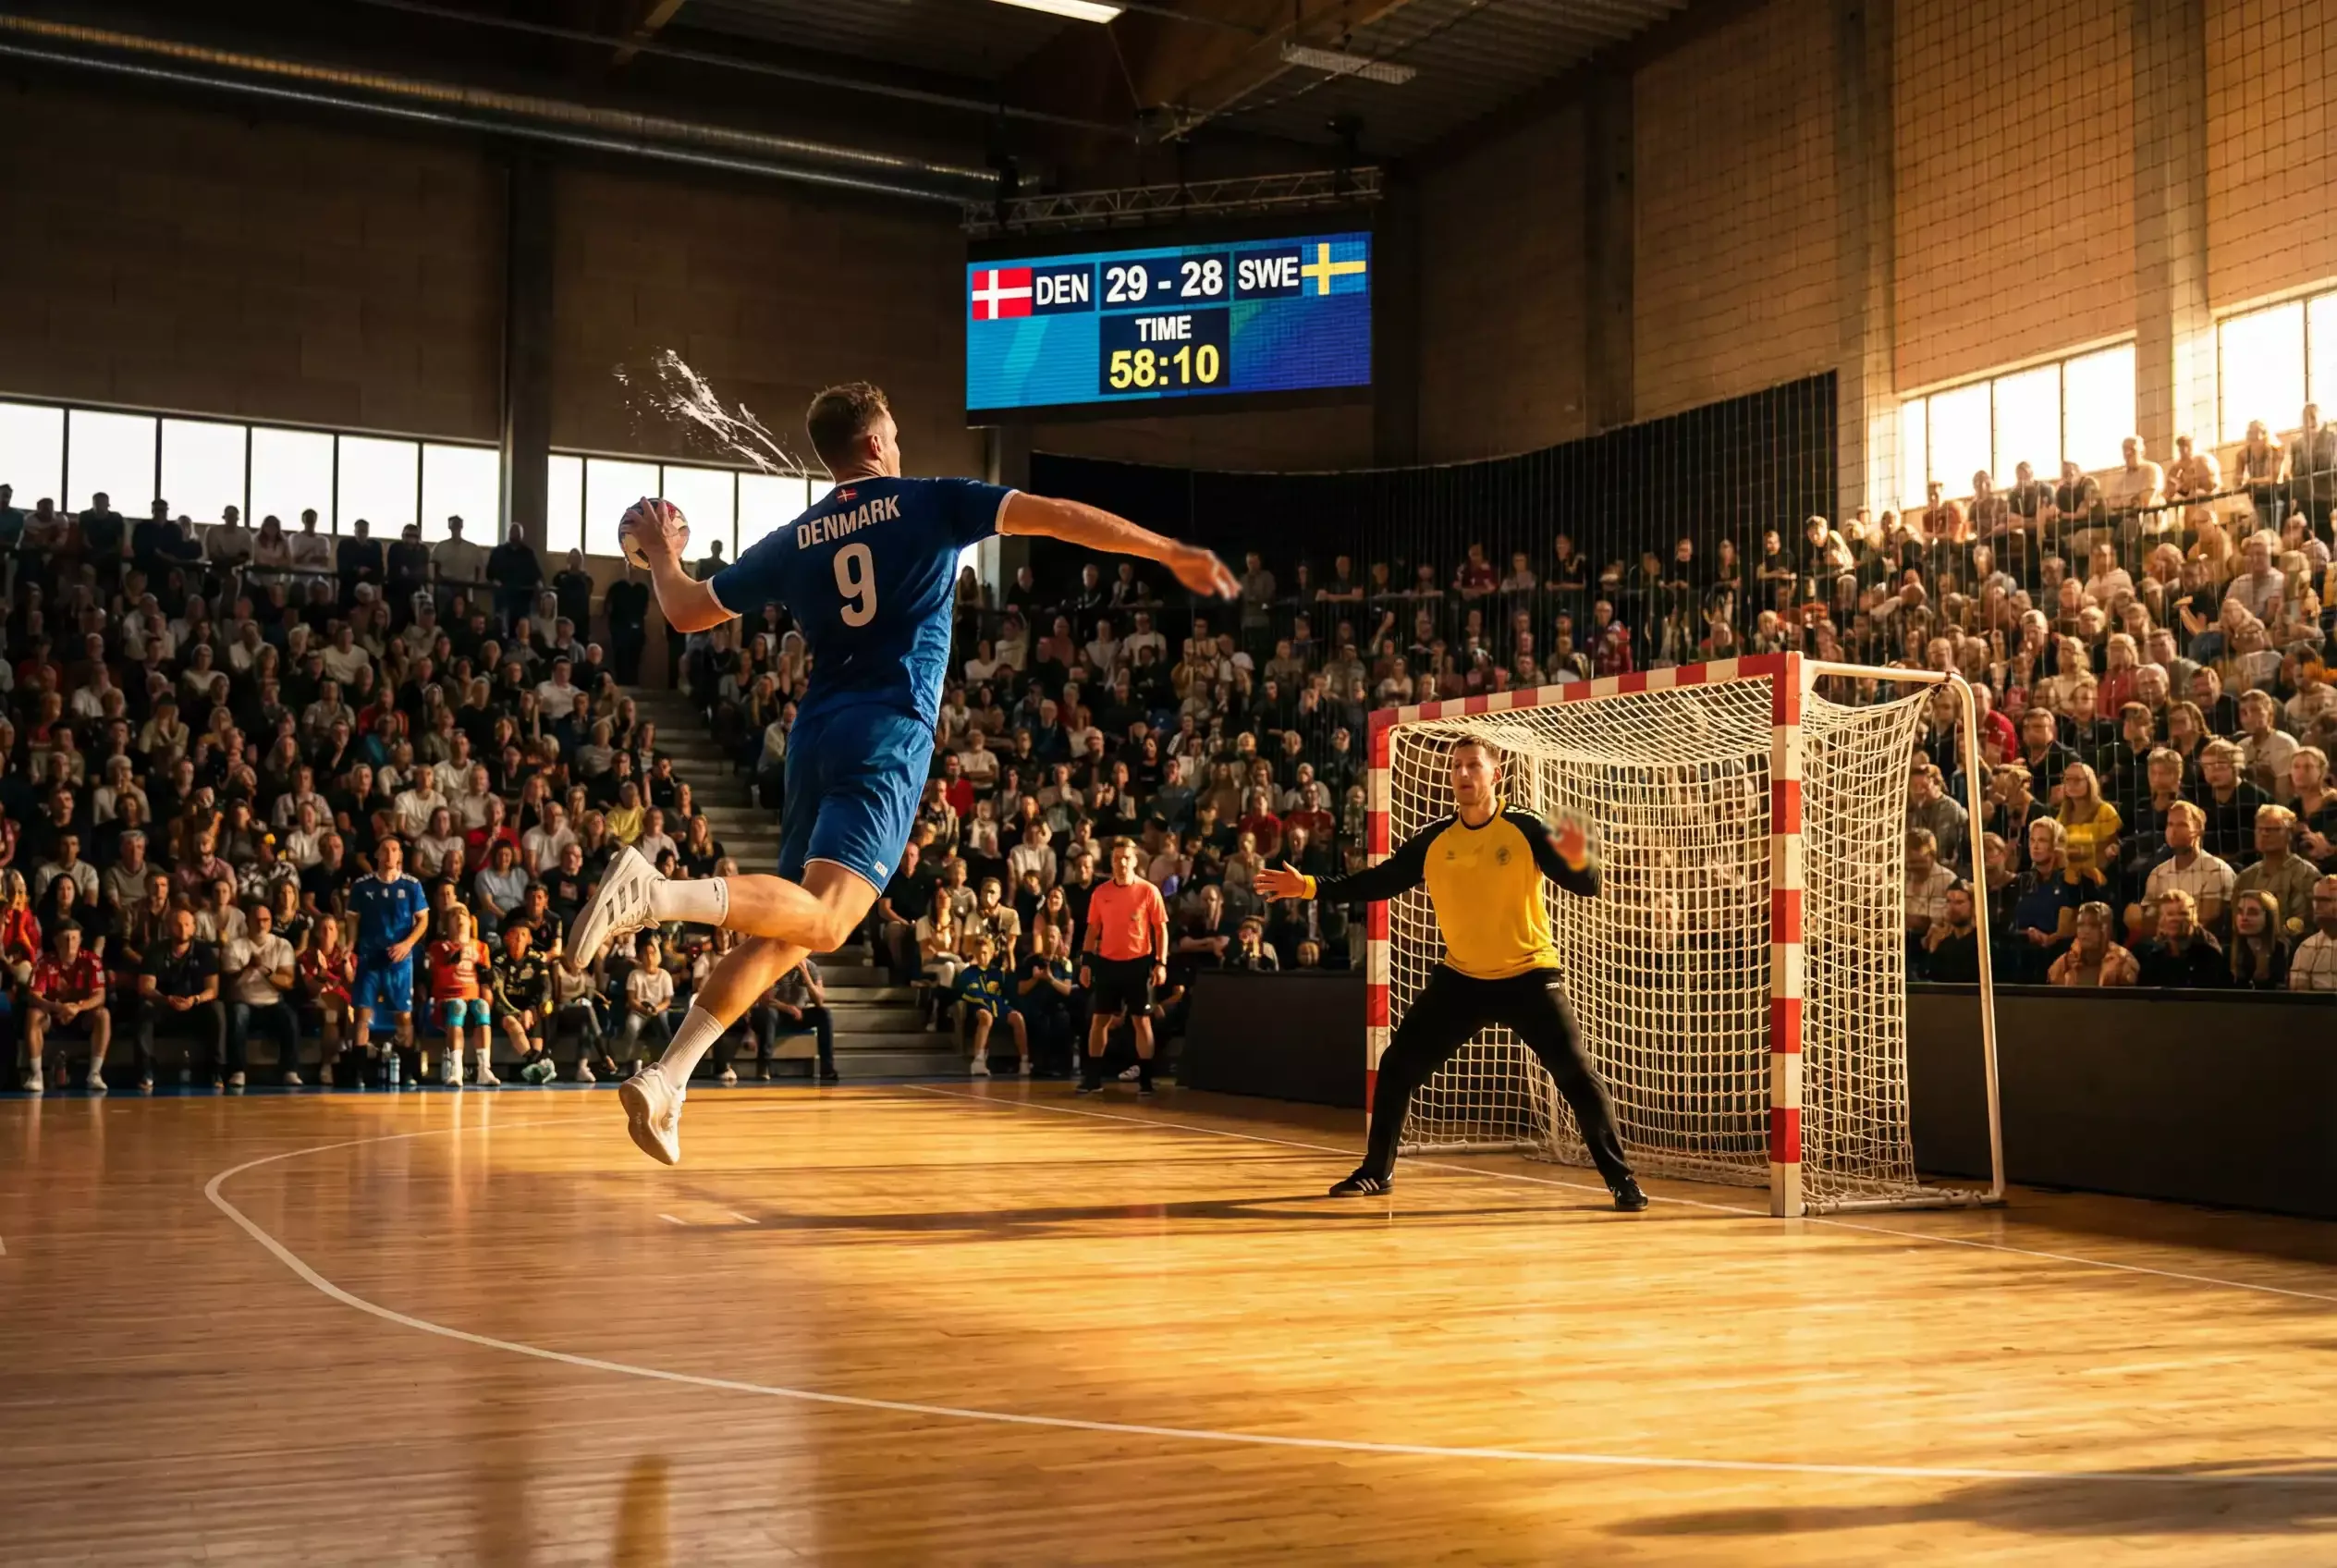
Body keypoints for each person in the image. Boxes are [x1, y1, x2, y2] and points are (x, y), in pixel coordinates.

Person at [565, 381, 1238, 1164]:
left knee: (791, 929)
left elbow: (684, 612)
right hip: (887, 731)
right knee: (829, 922)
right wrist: (1166, 550)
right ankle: (655, 894)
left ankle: (667, 1078)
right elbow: (1058, 514)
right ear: (877, 442)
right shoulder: (932, 501)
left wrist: (661, 554)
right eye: (895, 434)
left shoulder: (796, 538)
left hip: (815, 734)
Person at [1257, 738, 1646, 1207]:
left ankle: (1621, 1181)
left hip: (1530, 975)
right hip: (1463, 980)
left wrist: (1581, 839)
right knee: (1397, 1066)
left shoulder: (1526, 827)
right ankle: (1376, 1172)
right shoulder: (1435, 838)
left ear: (1495, 774)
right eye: (1456, 766)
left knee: (1578, 1078)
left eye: (1473, 765)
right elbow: (1381, 880)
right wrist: (1309, 886)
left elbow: (1587, 884)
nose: (1463, 774)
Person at [1078, 838, 1171, 1096]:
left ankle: (1146, 1080)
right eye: (1117, 858)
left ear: (1135, 861)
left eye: (1126, 858)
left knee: (1141, 1021)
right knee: (1100, 1019)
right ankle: (1093, 1079)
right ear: (1111, 862)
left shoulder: (1148, 891)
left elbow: (1160, 929)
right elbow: (1093, 929)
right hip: (1108, 963)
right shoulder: (1101, 893)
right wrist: (1086, 963)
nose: (1121, 863)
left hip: (1138, 964)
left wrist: (1161, 963)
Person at [349, 835, 431, 1085]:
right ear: (377, 854)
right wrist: (350, 945)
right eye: (385, 849)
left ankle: (407, 1072)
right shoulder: (362, 886)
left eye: (394, 849)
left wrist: (407, 944)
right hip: (369, 958)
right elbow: (352, 918)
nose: (389, 854)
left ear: (400, 856)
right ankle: (358, 1073)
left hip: (399, 961)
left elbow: (423, 920)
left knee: (403, 1017)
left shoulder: (411, 885)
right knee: (362, 1015)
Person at [24, 922, 110, 1094]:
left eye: (74, 938)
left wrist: (78, 1007)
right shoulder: (44, 962)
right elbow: (33, 995)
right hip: (52, 1016)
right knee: (33, 1014)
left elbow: (100, 996)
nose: (70, 943)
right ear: (56, 941)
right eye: (65, 938)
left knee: (103, 1014)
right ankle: (36, 1075)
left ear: (80, 940)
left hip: (82, 1017)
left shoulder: (92, 961)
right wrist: (56, 1007)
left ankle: (95, 1074)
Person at [223, 901, 301, 1086]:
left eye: (265, 920)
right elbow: (229, 985)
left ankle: (290, 1071)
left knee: (290, 1018)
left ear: (271, 922)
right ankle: (237, 1071)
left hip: (273, 1002)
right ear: (248, 922)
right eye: (257, 920)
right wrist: (248, 968)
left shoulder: (282, 945)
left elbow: (288, 982)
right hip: (243, 1001)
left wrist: (265, 971)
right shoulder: (234, 946)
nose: (261, 924)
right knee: (238, 1016)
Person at [429, 903, 497, 1087]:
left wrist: (487, 990)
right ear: (446, 924)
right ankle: (456, 1069)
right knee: (458, 1006)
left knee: (482, 1006)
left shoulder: (481, 947)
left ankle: (484, 1069)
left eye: (463, 914)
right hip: (448, 999)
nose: (460, 918)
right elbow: (439, 974)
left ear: (470, 921)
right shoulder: (438, 946)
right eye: (454, 915)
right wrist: (457, 952)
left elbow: (486, 977)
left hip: (473, 998)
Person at [492, 919, 560, 1083]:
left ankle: (536, 1063)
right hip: (505, 1008)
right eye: (515, 935)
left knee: (545, 1007)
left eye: (523, 935)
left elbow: (546, 988)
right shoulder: (498, 960)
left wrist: (530, 1009)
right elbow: (498, 994)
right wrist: (517, 1013)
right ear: (506, 938)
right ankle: (536, 1063)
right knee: (511, 1021)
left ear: (529, 939)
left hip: (529, 1006)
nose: (519, 939)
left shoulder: (536, 960)